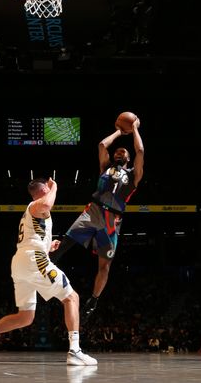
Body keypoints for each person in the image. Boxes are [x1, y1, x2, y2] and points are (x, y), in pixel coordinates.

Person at [0, 178, 97, 366]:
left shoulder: (35, 212)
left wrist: (48, 246)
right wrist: (56, 186)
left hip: (21, 262)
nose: (50, 190)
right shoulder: (37, 205)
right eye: (48, 188)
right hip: (33, 260)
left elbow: (33, 237)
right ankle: (75, 350)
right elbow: (47, 202)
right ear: (43, 189)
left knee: (25, 316)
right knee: (72, 297)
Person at [51, 118, 144, 321]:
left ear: (128, 158)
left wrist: (134, 129)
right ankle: (45, 269)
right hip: (93, 210)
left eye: (123, 152)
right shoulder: (105, 168)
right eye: (117, 151)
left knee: (105, 266)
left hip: (113, 221)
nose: (119, 153)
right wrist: (120, 131)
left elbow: (141, 152)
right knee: (66, 242)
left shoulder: (133, 175)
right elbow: (102, 145)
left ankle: (93, 301)